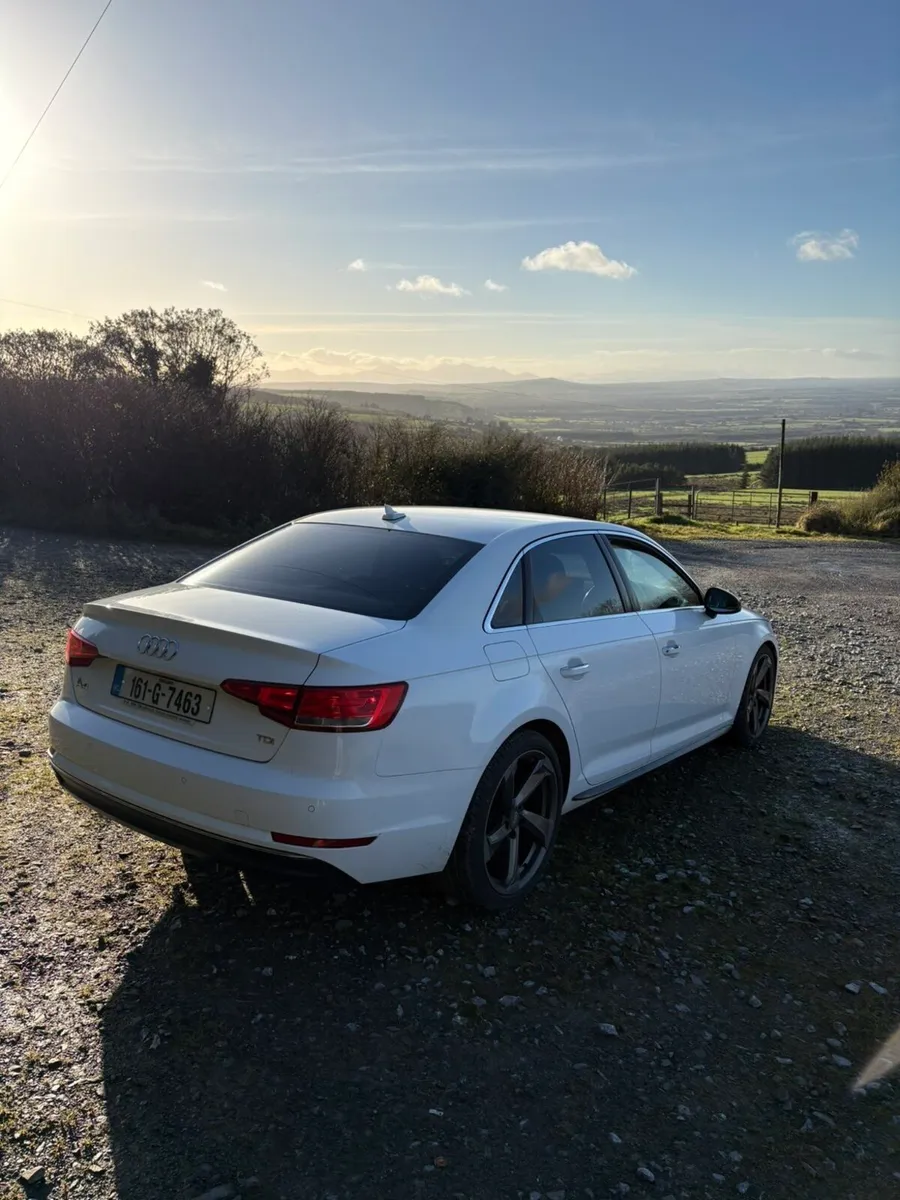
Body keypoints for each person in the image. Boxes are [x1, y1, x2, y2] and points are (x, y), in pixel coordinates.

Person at [530, 551, 585, 623]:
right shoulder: (524, 611)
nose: (564, 584)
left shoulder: (560, 605)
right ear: (542, 581)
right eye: (559, 578)